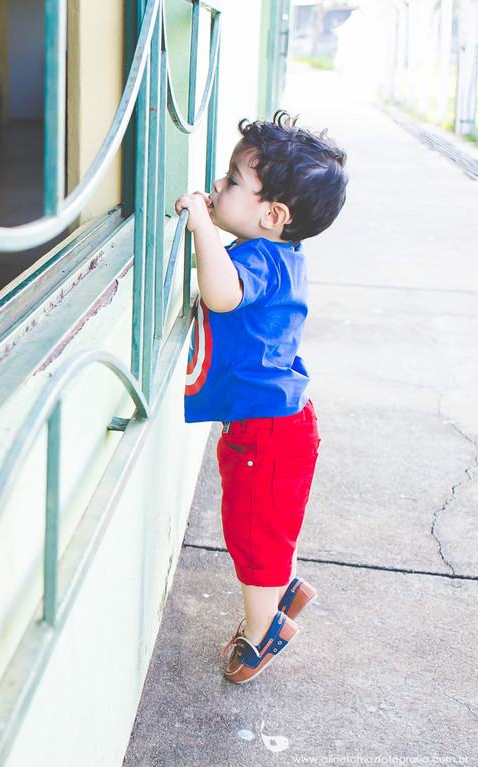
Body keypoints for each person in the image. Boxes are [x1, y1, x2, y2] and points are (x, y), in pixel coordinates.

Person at [175, 111, 348, 684]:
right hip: (277, 424)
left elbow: (221, 296)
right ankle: (282, 586)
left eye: (230, 181)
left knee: (252, 533)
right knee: (263, 525)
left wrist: (201, 223)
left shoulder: (259, 260)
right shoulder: (281, 256)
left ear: (272, 215)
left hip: (269, 431)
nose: (218, 186)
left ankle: (264, 629)